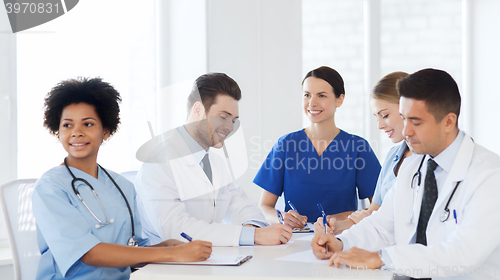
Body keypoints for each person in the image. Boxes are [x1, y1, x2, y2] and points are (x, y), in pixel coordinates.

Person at [311, 68, 500, 280]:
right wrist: (342, 242)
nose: (407, 131)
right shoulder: (412, 168)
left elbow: (463, 253)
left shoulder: (490, 175)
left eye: (416, 122)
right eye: (403, 118)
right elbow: (381, 226)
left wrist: (384, 259)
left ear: (448, 121)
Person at [32, 77, 212, 280]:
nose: (76, 133)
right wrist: (172, 253)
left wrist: (165, 245)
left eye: (88, 124)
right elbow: (88, 253)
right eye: (67, 125)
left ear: (105, 131)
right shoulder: (50, 187)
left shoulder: (122, 186)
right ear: (57, 131)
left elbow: (132, 250)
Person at [134, 73, 292, 247]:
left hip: (206, 263)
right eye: (223, 117)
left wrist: (252, 227)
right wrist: (252, 235)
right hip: (166, 268)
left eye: (233, 120)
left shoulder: (213, 162)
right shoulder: (159, 162)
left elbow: (240, 204)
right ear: (198, 110)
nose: (230, 127)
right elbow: (177, 230)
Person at [254, 66, 381, 229]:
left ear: (339, 100)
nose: (312, 103)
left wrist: (343, 218)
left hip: (341, 238)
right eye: (307, 95)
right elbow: (264, 207)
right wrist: (281, 217)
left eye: (321, 96)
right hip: (293, 240)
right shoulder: (286, 145)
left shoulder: (358, 148)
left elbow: (377, 209)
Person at [314, 71, 413, 234]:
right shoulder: (393, 157)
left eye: (385, 115)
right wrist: (336, 227)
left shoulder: (427, 160)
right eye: (376, 117)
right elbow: (374, 212)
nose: (380, 125)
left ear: (408, 108)